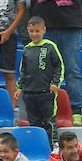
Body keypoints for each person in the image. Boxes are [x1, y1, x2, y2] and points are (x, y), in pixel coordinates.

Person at [15, 16, 63, 148]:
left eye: (37, 31)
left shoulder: (50, 46)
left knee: (49, 121)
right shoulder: (27, 49)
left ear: (44, 30)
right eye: (31, 31)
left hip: (46, 92)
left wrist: (55, 83)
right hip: (30, 93)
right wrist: (20, 88)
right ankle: (38, 146)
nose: (34, 34)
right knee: (33, 121)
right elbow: (23, 70)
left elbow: (59, 66)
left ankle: (54, 144)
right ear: (28, 31)